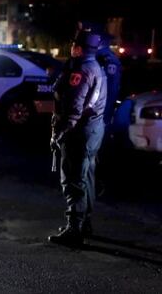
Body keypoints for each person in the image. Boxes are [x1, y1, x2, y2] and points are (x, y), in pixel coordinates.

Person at [48, 29, 106, 246]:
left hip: (79, 132)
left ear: (79, 48)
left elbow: (74, 107)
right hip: (93, 130)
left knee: (73, 178)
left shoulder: (81, 70)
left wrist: (60, 133)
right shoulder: (95, 67)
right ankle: (84, 223)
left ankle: (75, 229)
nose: (71, 47)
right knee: (86, 176)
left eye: (74, 44)